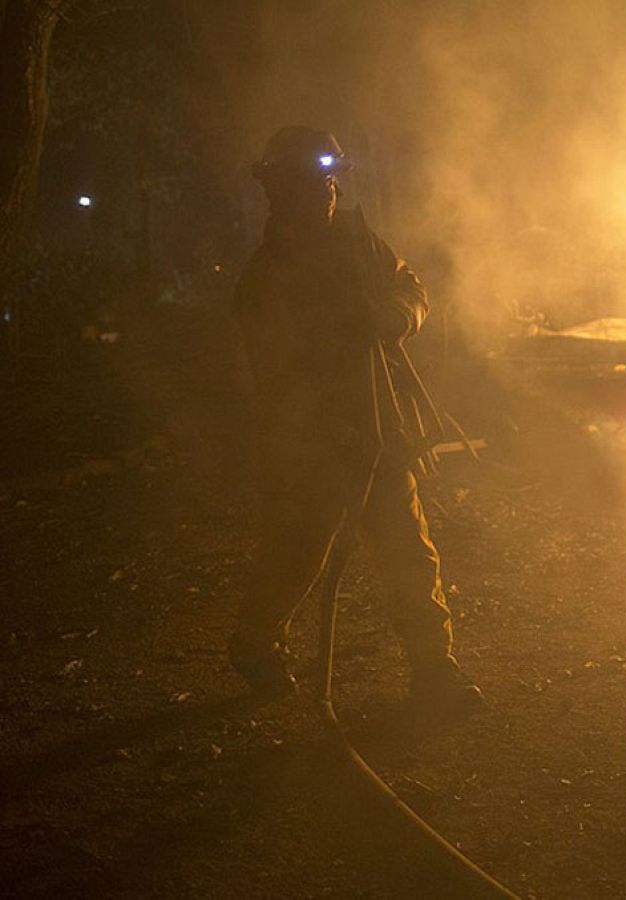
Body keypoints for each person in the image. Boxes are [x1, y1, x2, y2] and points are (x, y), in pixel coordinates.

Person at [228, 125, 480, 712]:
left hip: (378, 432)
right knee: (297, 554)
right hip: (312, 446)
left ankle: (435, 671)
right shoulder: (265, 280)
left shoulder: (361, 244)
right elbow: (272, 375)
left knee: (408, 553)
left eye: (331, 180)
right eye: (314, 182)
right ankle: (255, 644)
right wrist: (334, 346)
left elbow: (409, 287)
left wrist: (396, 315)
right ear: (280, 190)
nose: (329, 192)